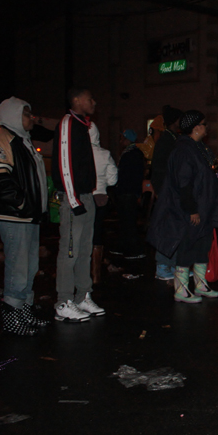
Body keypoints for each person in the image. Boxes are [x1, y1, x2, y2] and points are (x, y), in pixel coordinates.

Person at [147, 111, 218, 303]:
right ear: (196, 127)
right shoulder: (184, 150)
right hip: (191, 210)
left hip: (204, 208)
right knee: (187, 247)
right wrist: (191, 209)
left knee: (202, 247)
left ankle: (200, 285)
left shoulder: (199, 148)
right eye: (204, 124)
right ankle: (181, 289)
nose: (206, 127)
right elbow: (183, 183)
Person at [0, 97, 48, 335]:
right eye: (25, 114)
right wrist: (22, 204)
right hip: (16, 216)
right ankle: (12, 318)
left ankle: (24, 312)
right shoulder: (3, 140)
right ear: (12, 115)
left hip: (28, 216)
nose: (30, 118)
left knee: (30, 266)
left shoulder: (23, 141)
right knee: (18, 267)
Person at [52, 88, 103, 322]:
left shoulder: (82, 126)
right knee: (69, 252)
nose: (94, 102)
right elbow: (65, 164)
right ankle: (63, 301)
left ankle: (82, 295)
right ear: (76, 100)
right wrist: (73, 200)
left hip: (85, 195)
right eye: (90, 98)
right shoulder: (68, 124)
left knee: (84, 251)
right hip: (75, 199)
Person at [151, 106, 183, 281]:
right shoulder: (167, 141)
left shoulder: (171, 139)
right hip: (167, 191)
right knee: (168, 228)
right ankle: (163, 265)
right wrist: (161, 190)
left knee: (174, 227)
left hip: (169, 190)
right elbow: (160, 168)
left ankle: (171, 264)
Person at [89, 122, 118, 284]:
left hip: (83, 197)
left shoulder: (78, 153)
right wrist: (103, 183)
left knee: (81, 233)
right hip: (100, 196)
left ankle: (80, 272)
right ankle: (96, 275)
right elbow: (113, 179)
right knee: (97, 233)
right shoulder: (104, 154)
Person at [112, 129, 146, 259]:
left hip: (127, 192)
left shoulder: (131, 154)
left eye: (122, 138)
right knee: (125, 221)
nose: (121, 141)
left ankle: (135, 250)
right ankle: (124, 246)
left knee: (128, 221)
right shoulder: (131, 153)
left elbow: (129, 175)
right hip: (128, 191)